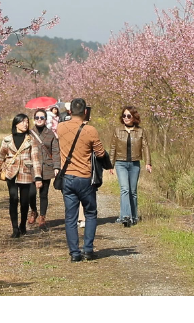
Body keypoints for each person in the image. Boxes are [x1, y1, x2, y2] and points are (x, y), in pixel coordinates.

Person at [56, 98, 105, 262]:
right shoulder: (91, 130)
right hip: (84, 178)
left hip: (67, 178)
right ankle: (88, 250)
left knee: (70, 217)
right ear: (85, 112)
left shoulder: (60, 127)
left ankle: (74, 253)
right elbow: (100, 154)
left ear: (70, 111)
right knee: (90, 213)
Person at [0, 113, 43, 238]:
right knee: (13, 199)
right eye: (23, 122)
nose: (26, 124)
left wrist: (38, 177)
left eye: (27, 122)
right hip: (11, 174)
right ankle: (15, 229)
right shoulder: (7, 140)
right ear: (16, 123)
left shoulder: (31, 140)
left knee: (24, 202)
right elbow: (0, 158)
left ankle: (23, 225)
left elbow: (36, 160)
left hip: (26, 173)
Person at [109, 105, 152, 227]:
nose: (126, 118)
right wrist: (110, 164)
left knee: (133, 191)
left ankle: (133, 216)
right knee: (125, 189)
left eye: (128, 116)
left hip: (134, 163)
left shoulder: (140, 131)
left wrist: (148, 163)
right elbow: (113, 148)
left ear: (134, 117)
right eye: (124, 116)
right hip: (120, 163)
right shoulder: (117, 130)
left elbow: (145, 147)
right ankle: (125, 216)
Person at [28, 108, 61, 231]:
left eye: (42, 118)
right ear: (34, 119)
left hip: (47, 167)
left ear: (45, 119)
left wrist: (57, 166)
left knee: (43, 194)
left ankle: (42, 217)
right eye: (37, 118)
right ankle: (34, 212)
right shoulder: (29, 133)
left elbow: (56, 151)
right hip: (31, 168)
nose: (39, 120)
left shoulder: (50, 134)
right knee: (31, 193)